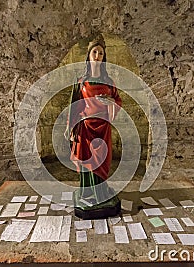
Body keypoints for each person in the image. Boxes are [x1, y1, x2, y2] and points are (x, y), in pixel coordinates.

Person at [65, 35, 122, 205]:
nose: (97, 56)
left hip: (102, 129)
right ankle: (87, 193)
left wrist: (110, 102)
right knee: (86, 162)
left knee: (102, 162)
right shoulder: (81, 82)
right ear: (89, 56)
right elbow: (74, 106)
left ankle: (101, 193)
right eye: (94, 52)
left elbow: (117, 101)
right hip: (85, 128)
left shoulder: (109, 82)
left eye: (101, 53)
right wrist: (70, 127)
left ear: (104, 58)